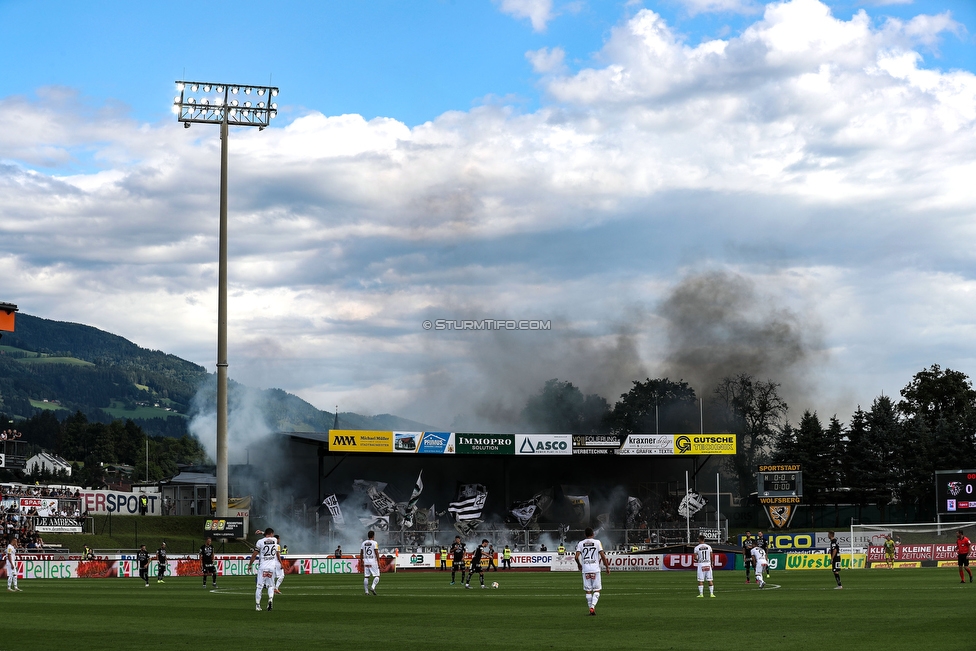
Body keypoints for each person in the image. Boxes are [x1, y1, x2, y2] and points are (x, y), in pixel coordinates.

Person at [575, 528, 610, 615]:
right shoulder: (597, 542)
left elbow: (576, 557)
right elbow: (602, 555)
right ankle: (592, 607)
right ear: (593, 534)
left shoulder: (581, 543)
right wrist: (607, 567)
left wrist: (579, 564)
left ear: (585, 534)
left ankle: (590, 609)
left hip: (585, 569)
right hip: (595, 569)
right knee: (597, 590)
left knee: (588, 591)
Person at [248, 527, 281, 611]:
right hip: (271, 567)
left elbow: (254, 554)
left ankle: (258, 605)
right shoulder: (274, 540)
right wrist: (262, 532)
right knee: (271, 586)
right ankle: (270, 599)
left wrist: (250, 564)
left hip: (263, 567)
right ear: (272, 534)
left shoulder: (260, 542)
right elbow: (268, 537)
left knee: (259, 587)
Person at [360, 530, 380, 595]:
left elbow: (361, 553)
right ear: (373, 536)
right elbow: (376, 553)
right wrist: (379, 562)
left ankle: (366, 591)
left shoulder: (363, 543)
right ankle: (372, 587)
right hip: (373, 562)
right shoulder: (374, 543)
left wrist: (361, 561)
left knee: (366, 577)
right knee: (377, 576)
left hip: (366, 562)